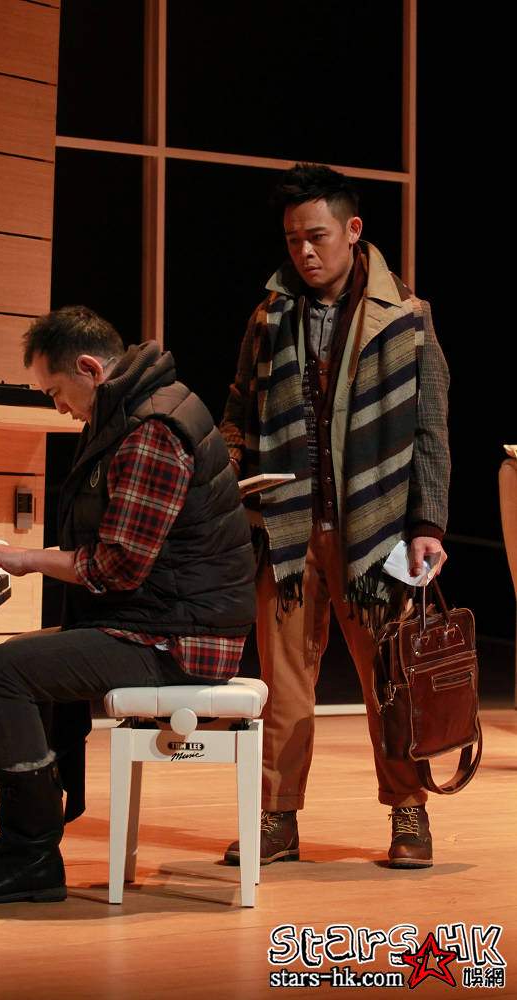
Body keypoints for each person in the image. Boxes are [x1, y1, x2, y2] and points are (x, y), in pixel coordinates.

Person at [0, 305, 256, 904]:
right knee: (27, 662)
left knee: (3, 670)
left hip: (183, 639)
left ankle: (32, 855)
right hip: (166, 620)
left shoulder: (152, 429)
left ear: (89, 368)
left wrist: (23, 558)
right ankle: (25, 840)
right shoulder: (135, 412)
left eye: (56, 392)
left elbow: (117, 566)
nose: (59, 407)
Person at [219, 164, 450, 869]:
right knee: (282, 688)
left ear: (353, 230)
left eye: (316, 236)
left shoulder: (406, 316)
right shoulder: (269, 316)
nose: (304, 251)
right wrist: (233, 479)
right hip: (289, 528)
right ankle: (277, 818)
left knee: (391, 679)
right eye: (293, 240)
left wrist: (427, 525)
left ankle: (409, 811)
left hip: (374, 530)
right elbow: (239, 410)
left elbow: (430, 429)